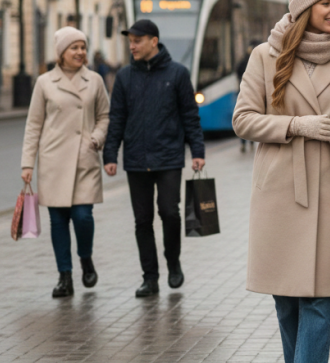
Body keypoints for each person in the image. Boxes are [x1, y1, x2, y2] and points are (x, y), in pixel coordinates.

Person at [232, 0, 330, 363]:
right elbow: (243, 119)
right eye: (326, 3)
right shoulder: (264, 56)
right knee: (286, 302)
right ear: (303, 8)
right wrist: (294, 126)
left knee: (320, 303)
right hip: (281, 190)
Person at [102, 19, 205, 298]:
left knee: (170, 213)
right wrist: (110, 155)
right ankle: (150, 277)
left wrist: (197, 151)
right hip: (136, 159)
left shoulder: (178, 74)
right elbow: (117, 119)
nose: (132, 46)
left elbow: (190, 117)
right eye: (130, 41)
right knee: (142, 220)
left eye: (137, 40)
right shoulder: (124, 77)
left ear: (153, 41)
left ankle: (173, 263)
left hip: (169, 157)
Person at [21, 27, 109, 298]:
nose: (80, 52)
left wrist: (95, 139)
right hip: (53, 161)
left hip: (84, 159)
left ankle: (85, 258)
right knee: (58, 222)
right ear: (61, 53)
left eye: (83, 47)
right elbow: (33, 125)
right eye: (74, 48)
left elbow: (105, 115)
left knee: (83, 217)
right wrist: (27, 163)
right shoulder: (44, 83)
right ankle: (65, 276)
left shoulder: (94, 80)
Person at [236, 39, 263, 153]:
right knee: (250, 116)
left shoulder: (244, 61)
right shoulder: (256, 59)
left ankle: (245, 143)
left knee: (245, 117)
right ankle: (250, 142)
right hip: (254, 91)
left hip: (243, 91)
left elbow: (238, 72)